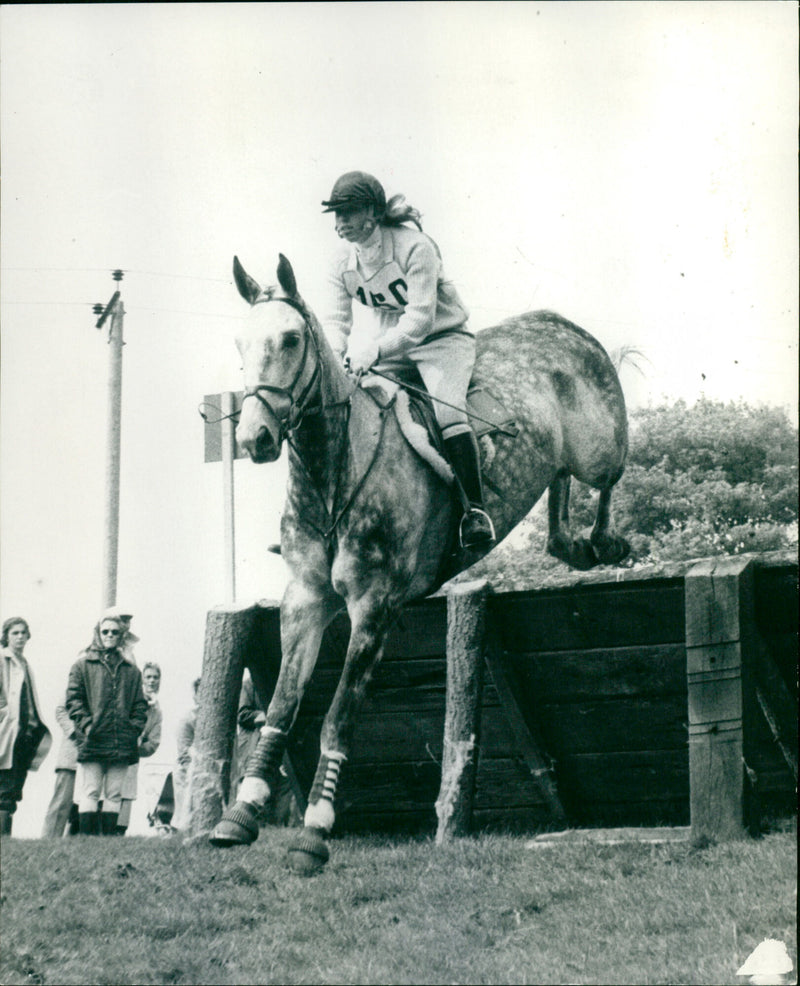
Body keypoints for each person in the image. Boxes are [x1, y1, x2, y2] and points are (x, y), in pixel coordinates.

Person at [320, 170, 495, 549]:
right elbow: (336, 322)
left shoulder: (416, 247)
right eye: (337, 214)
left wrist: (376, 350)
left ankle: (475, 512)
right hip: (390, 346)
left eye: (349, 212)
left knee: (448, 413)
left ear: (373, 212)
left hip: (441, 339)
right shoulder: (340, 263)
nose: (341, 222)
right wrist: (337, 361)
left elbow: (418, 321)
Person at [65, 615, 147, 836]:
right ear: (98, 634)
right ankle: (88, 840)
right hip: (94, 738)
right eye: (106, 631)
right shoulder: (82, 666)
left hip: (122, 740)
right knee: (90, 791)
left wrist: (133, 729)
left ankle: (108, 841)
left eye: (115, 632)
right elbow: (73, 700)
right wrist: (87, 726)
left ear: (122, 637)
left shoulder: (132, 670)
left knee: (114, 793)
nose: (110, 635)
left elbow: (140, 705)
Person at [0, 617, 52, 836]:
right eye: (15, 633)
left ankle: (6, 838)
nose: (20, 637)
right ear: (6, 636)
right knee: (5, 786)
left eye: (23, 633)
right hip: (8, 732)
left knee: (14, 788)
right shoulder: (3, 660)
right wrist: (4, 715)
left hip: (25, 734)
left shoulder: (24, 662)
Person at [235, 669, 301, 827]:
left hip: (282, 748)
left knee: (283, 789)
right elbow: (243, 715)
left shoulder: (285, 683)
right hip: (257, 747)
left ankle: (278, 826)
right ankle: (254, 826)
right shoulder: (249, 684)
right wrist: (271, 717)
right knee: (258, 791)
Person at [115, 661, 162, 835]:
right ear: (142, 679)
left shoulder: (157, 711)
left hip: (132, 760)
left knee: (126, 797)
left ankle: (118, 835)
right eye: (148, 677)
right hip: (115, 754)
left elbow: (154, 743)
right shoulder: (131, 699)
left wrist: (138, 746)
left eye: (155, 677)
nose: (152, 681)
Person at [41, 701, 80, 838]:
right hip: (72, 755)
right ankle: (48, 843)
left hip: (97, 756)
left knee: (86, 808)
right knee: (62, 802)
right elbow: (60, 710)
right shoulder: (76, 680)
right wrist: (74, 732)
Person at [172, 676, 200, 830]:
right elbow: (183, 753)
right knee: (184, 815)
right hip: (187, 773)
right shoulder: (187, 720)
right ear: (195, 695)